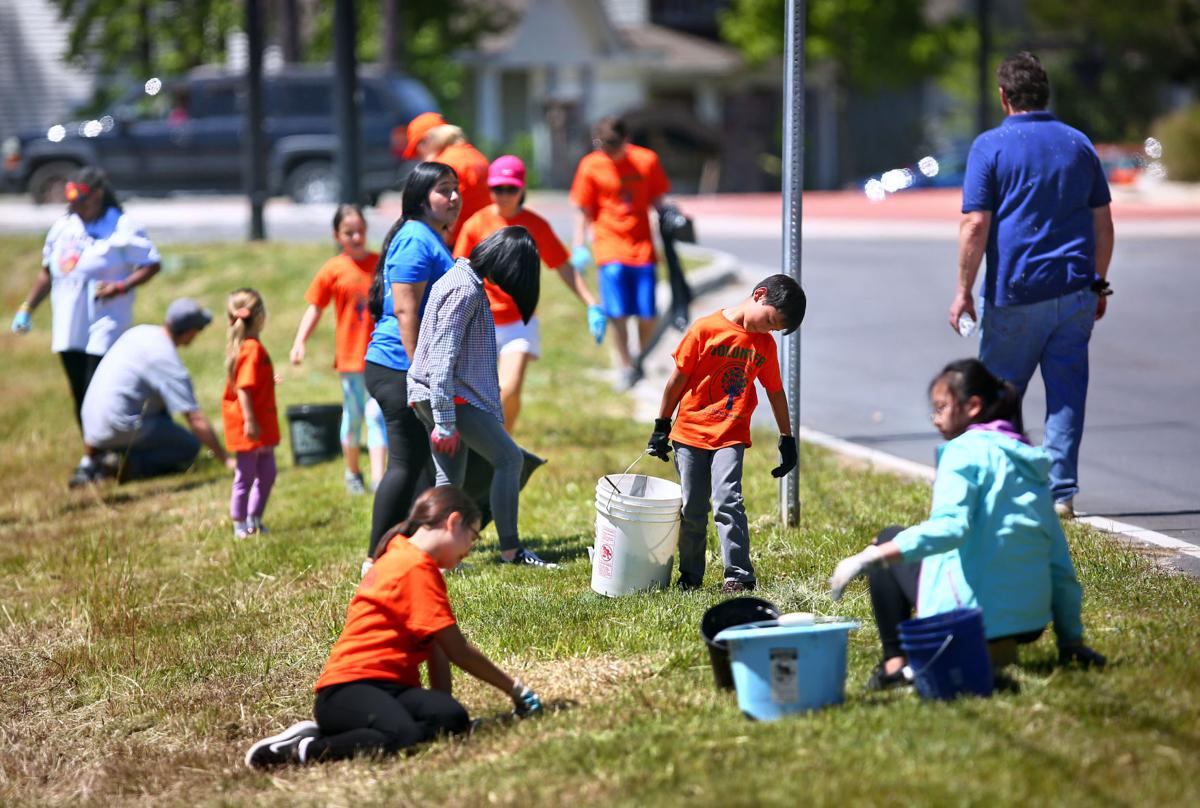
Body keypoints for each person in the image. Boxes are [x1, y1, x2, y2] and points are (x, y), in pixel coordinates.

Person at [828, 359, 1106, 691]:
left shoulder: (961, 451)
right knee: (911, 546)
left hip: (970, 620)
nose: (936, 418)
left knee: (888, 539)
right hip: (1029, 622)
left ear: (973, 406)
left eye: (941, 407)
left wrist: (871, 557)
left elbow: (951, 528)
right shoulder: (1027, 458)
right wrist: (1072, 641)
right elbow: (1059, 563)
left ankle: (895, 666)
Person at [243, 485, 543, 768]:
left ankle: (354, 733)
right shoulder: (413, 567)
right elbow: (458, 650)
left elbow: (437, 647)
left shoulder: (413, 560)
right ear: (453, 522)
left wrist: (443, 704)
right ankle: (306, 747)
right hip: (348, 690)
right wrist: (516, 691)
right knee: (403, 737)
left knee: (452, 718)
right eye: (474, 536)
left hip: (393, 689)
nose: (471, 547)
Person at [948, 52, 1115, 519]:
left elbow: (975, 225)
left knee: (998, 394)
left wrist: (963, 290)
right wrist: (1098, 283)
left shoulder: (990, 147)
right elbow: (1103, 224)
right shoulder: (1079, 144)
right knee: (1066, 393)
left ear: (1004, 96)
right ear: (1045, 93)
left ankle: (1000, 488)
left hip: (1015, 292)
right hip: (1075, 290)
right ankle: (1060, 494)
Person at [647, 275, 807, 592]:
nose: (769, 330)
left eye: (775, 329)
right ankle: (690, 577)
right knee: (693, 508)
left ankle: (739, 576)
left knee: (728, 501)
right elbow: (676, 380)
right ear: (759, 295)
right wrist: (661, 425)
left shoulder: (764, 345)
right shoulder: (704, 330)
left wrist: (787, 438)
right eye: (770, 321)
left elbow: (775, 391)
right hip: (690, 433)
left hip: (730, 434)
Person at [408, 227, 554, 568]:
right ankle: (512, 551)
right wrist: (446, 422)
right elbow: (442, 358)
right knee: (509, 460)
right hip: (451, 399)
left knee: (450, 480)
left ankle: (435, 558)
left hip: (432, 395)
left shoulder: (459, 277)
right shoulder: (465, 289)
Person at [10, 166, 161, 486]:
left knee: (100, 390)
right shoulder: (64, 227)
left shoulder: (121, 225)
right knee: (80, 391)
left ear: (98, 194)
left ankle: (102, 457)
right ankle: (98, 455)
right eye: (72, 202)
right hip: (70, 325)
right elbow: (47, 272)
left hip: (106, 321)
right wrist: (27, 307)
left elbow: (151, 263)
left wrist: (121, 286)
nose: (76, 207)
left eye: (82, 201)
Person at [454, 154, 606, 431]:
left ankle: (503, 443)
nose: (503, 195)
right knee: (478, 395)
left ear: (522, 189)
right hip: (480, 322)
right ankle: (489, 446)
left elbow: (564, 266)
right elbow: (458, 272)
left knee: (509, 389)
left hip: (518, 322)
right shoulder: (476, 224)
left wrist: (591, 303)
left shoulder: (535, 226)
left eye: (510, 189)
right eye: (497, 189)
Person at [363, 162, 461, 565]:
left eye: (455, 188)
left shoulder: (426, 235)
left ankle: (416, 550)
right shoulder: (416, 239)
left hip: (406, 366)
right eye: (443, 189)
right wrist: (419, 373)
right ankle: (375, 559)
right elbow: (406, 311)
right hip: (397, 366)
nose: (454, 197)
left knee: (421, 461)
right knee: (404, 464)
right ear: (422, 198)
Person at [290, 204, 388, 494]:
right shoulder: (333, 269)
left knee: (377, 415)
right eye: (349, 232)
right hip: (351, 359)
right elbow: (315, 307)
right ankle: (353, 472)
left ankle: (379, 479)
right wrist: (300, 341)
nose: (356, 237)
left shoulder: (380, 264)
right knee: (354, 417)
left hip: (380, 355)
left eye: (360, 231)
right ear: (337, 235)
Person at [80, 298, 234, 481]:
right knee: (189, 446)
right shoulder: (167, 360)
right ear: (190, 332)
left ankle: (90, 460)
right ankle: (123, 465)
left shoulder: (139, 332)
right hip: (118, 428)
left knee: (160, 412)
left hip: (90, 423)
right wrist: (225, 460)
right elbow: (195, 418)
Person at [570, 116, 671, 390]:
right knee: (617, 313)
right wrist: (579, 245)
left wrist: (671, 217)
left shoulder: (646, 160)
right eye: (602, 144)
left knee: (647, 314)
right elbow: (583, 208)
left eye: (613, 144)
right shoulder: (590, 165)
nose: (607, 150)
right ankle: (625, 365)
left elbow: (658, 198)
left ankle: (638, 356)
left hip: (642, 247)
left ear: (627, 140)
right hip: (609, 245)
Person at [222, 289, 280, 539]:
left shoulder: (250, 348)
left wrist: (267, 381)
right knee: (245, 475)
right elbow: (243, 388)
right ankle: (240, 522)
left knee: (267, 473)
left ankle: (254, 518)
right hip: (251, 426)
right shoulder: (252, 349)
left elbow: (251, 382)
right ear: (259, 317)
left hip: (261, 424)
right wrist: (250, 421)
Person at [402, 111, 490, 245]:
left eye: (417, 148)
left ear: (426, 140)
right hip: (486, 240)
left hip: (459, 246)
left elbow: (446, 216)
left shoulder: (444, 165)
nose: (419, 156)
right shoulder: (476, 156)